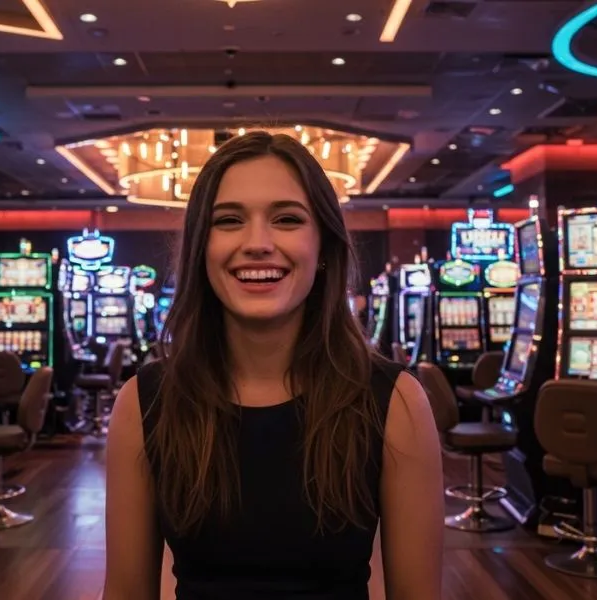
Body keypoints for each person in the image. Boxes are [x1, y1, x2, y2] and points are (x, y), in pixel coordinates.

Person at [104, 131, 444, 599]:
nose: (257, 243)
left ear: (323, 247)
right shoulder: (144, 401)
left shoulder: (396, 401)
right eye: (228, 221)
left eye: (286, 219)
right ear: (202, 248)